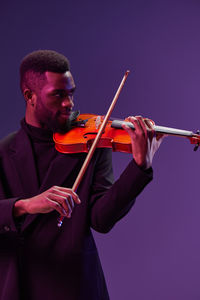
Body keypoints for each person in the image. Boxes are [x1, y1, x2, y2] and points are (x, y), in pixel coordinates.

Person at [0, 50, 162, 300]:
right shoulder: (3, 152)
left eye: (71, 93)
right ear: (30, 96)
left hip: (75, 286)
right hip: (20, 285)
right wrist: (26, 205)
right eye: (58, 95)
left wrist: (139, 167)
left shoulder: (92, 142)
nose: (69, 103)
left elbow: (101, 219)